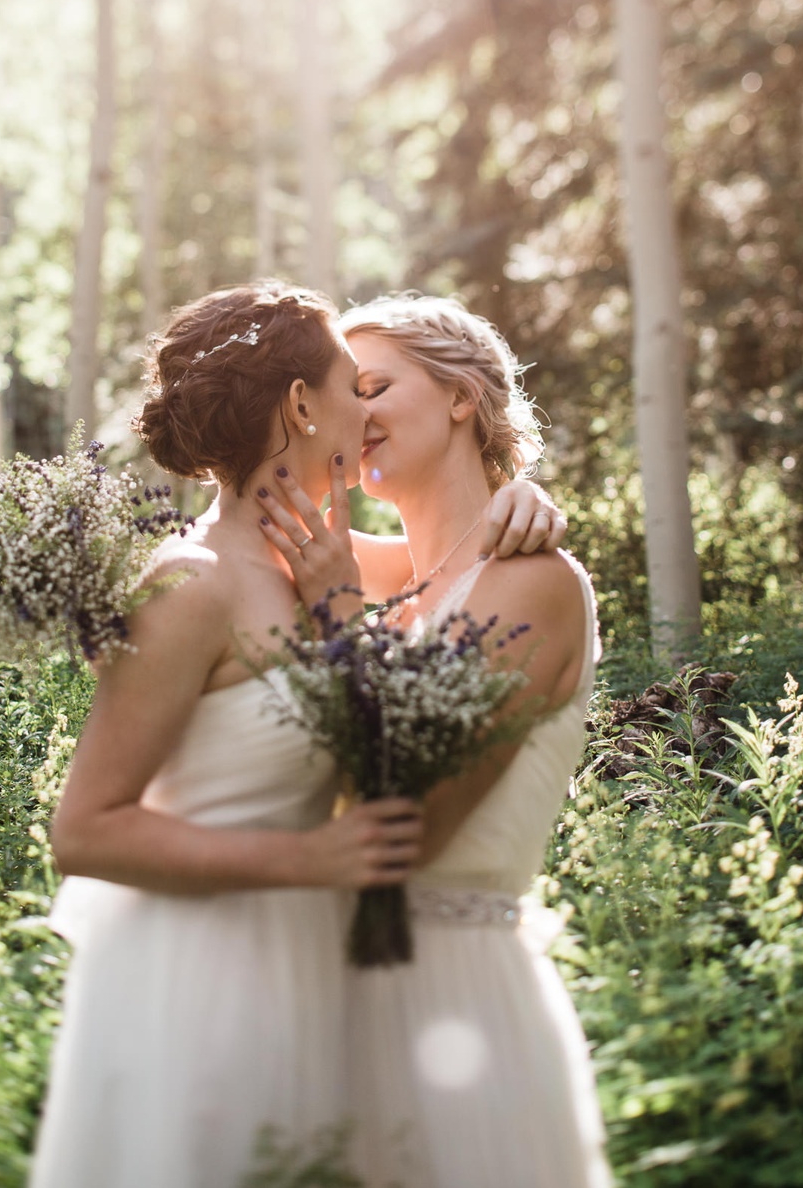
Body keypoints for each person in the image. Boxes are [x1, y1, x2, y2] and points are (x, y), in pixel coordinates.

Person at [29, 281, 563, 1188]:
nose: (366, 408)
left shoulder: (317, 569)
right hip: (197, 973)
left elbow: (456, 564)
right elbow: (82, 830)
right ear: (302, 404)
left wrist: (532, 503)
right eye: (355, 384)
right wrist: (309, 863)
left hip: (306, 974)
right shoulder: (192, 584)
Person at [261, 293, 611, 1188]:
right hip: (334, 995)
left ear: (462, 397)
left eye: (374, 386)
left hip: (452, 998)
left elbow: (411, 819)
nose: (354, 413)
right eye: (341, 393)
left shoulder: (531, 584)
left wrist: (338, 615)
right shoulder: (387, 570)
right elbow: (247, 515)